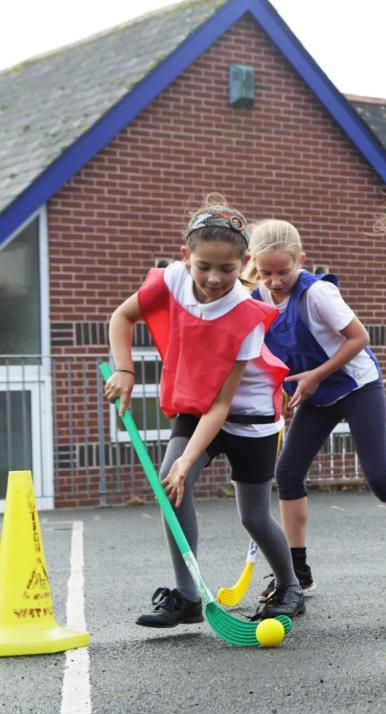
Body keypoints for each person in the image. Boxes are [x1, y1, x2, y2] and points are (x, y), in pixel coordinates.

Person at [104, 194, 304, 627]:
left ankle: (290, 586)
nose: (214, 278)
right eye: (204, 266)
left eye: (227, 269)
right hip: (197, 407)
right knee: (171, 487)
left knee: (253, 515)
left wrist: (187, 461)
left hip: (248, 418)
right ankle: (187, 596)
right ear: (185, 257)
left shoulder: (247, 315)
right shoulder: (172, 280)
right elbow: (123, 316)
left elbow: (223, 404)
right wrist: (124, 369)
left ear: (244, 262)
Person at [244, 219, 386, 595]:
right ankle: (296, 570)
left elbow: (359, 338)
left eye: (283, 271)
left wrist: (315, 375)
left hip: (356, 386)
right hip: (315, 393)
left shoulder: (317, 294)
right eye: (265, 272)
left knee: (379, 476)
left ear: (301, 260)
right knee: (287, 473)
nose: (274, 281)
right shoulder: (257, 299)